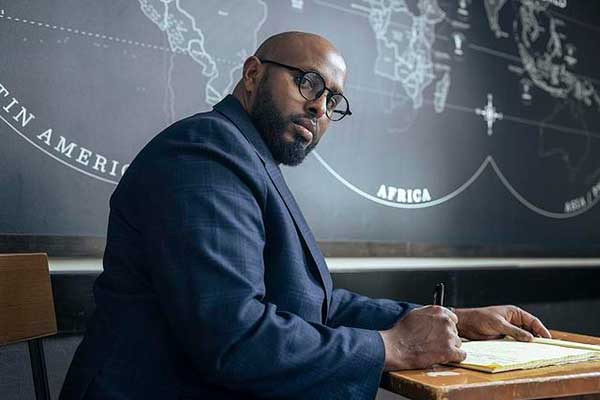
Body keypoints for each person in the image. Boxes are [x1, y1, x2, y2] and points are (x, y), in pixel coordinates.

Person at [59, 31, 551, 400]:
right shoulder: (204, 154)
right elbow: (235, 337)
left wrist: (454, 321)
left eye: (332, 100)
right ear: (253, 75)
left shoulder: (244, 156)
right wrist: (389, 347)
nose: (319, 108)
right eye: (309, 83)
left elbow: (314, 302)